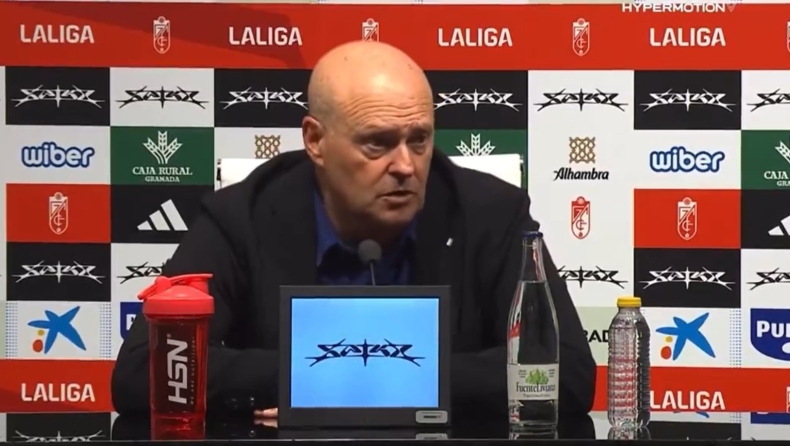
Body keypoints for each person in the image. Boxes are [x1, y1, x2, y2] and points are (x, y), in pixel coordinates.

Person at [112, 41, 595, 418]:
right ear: (315, 141)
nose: (405, 165)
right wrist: (389, 378)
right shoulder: (243, 216)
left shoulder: (490, 212)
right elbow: (143, 373)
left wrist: (325, 381)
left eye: (419, 140)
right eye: (377, 144)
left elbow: (567, 373)